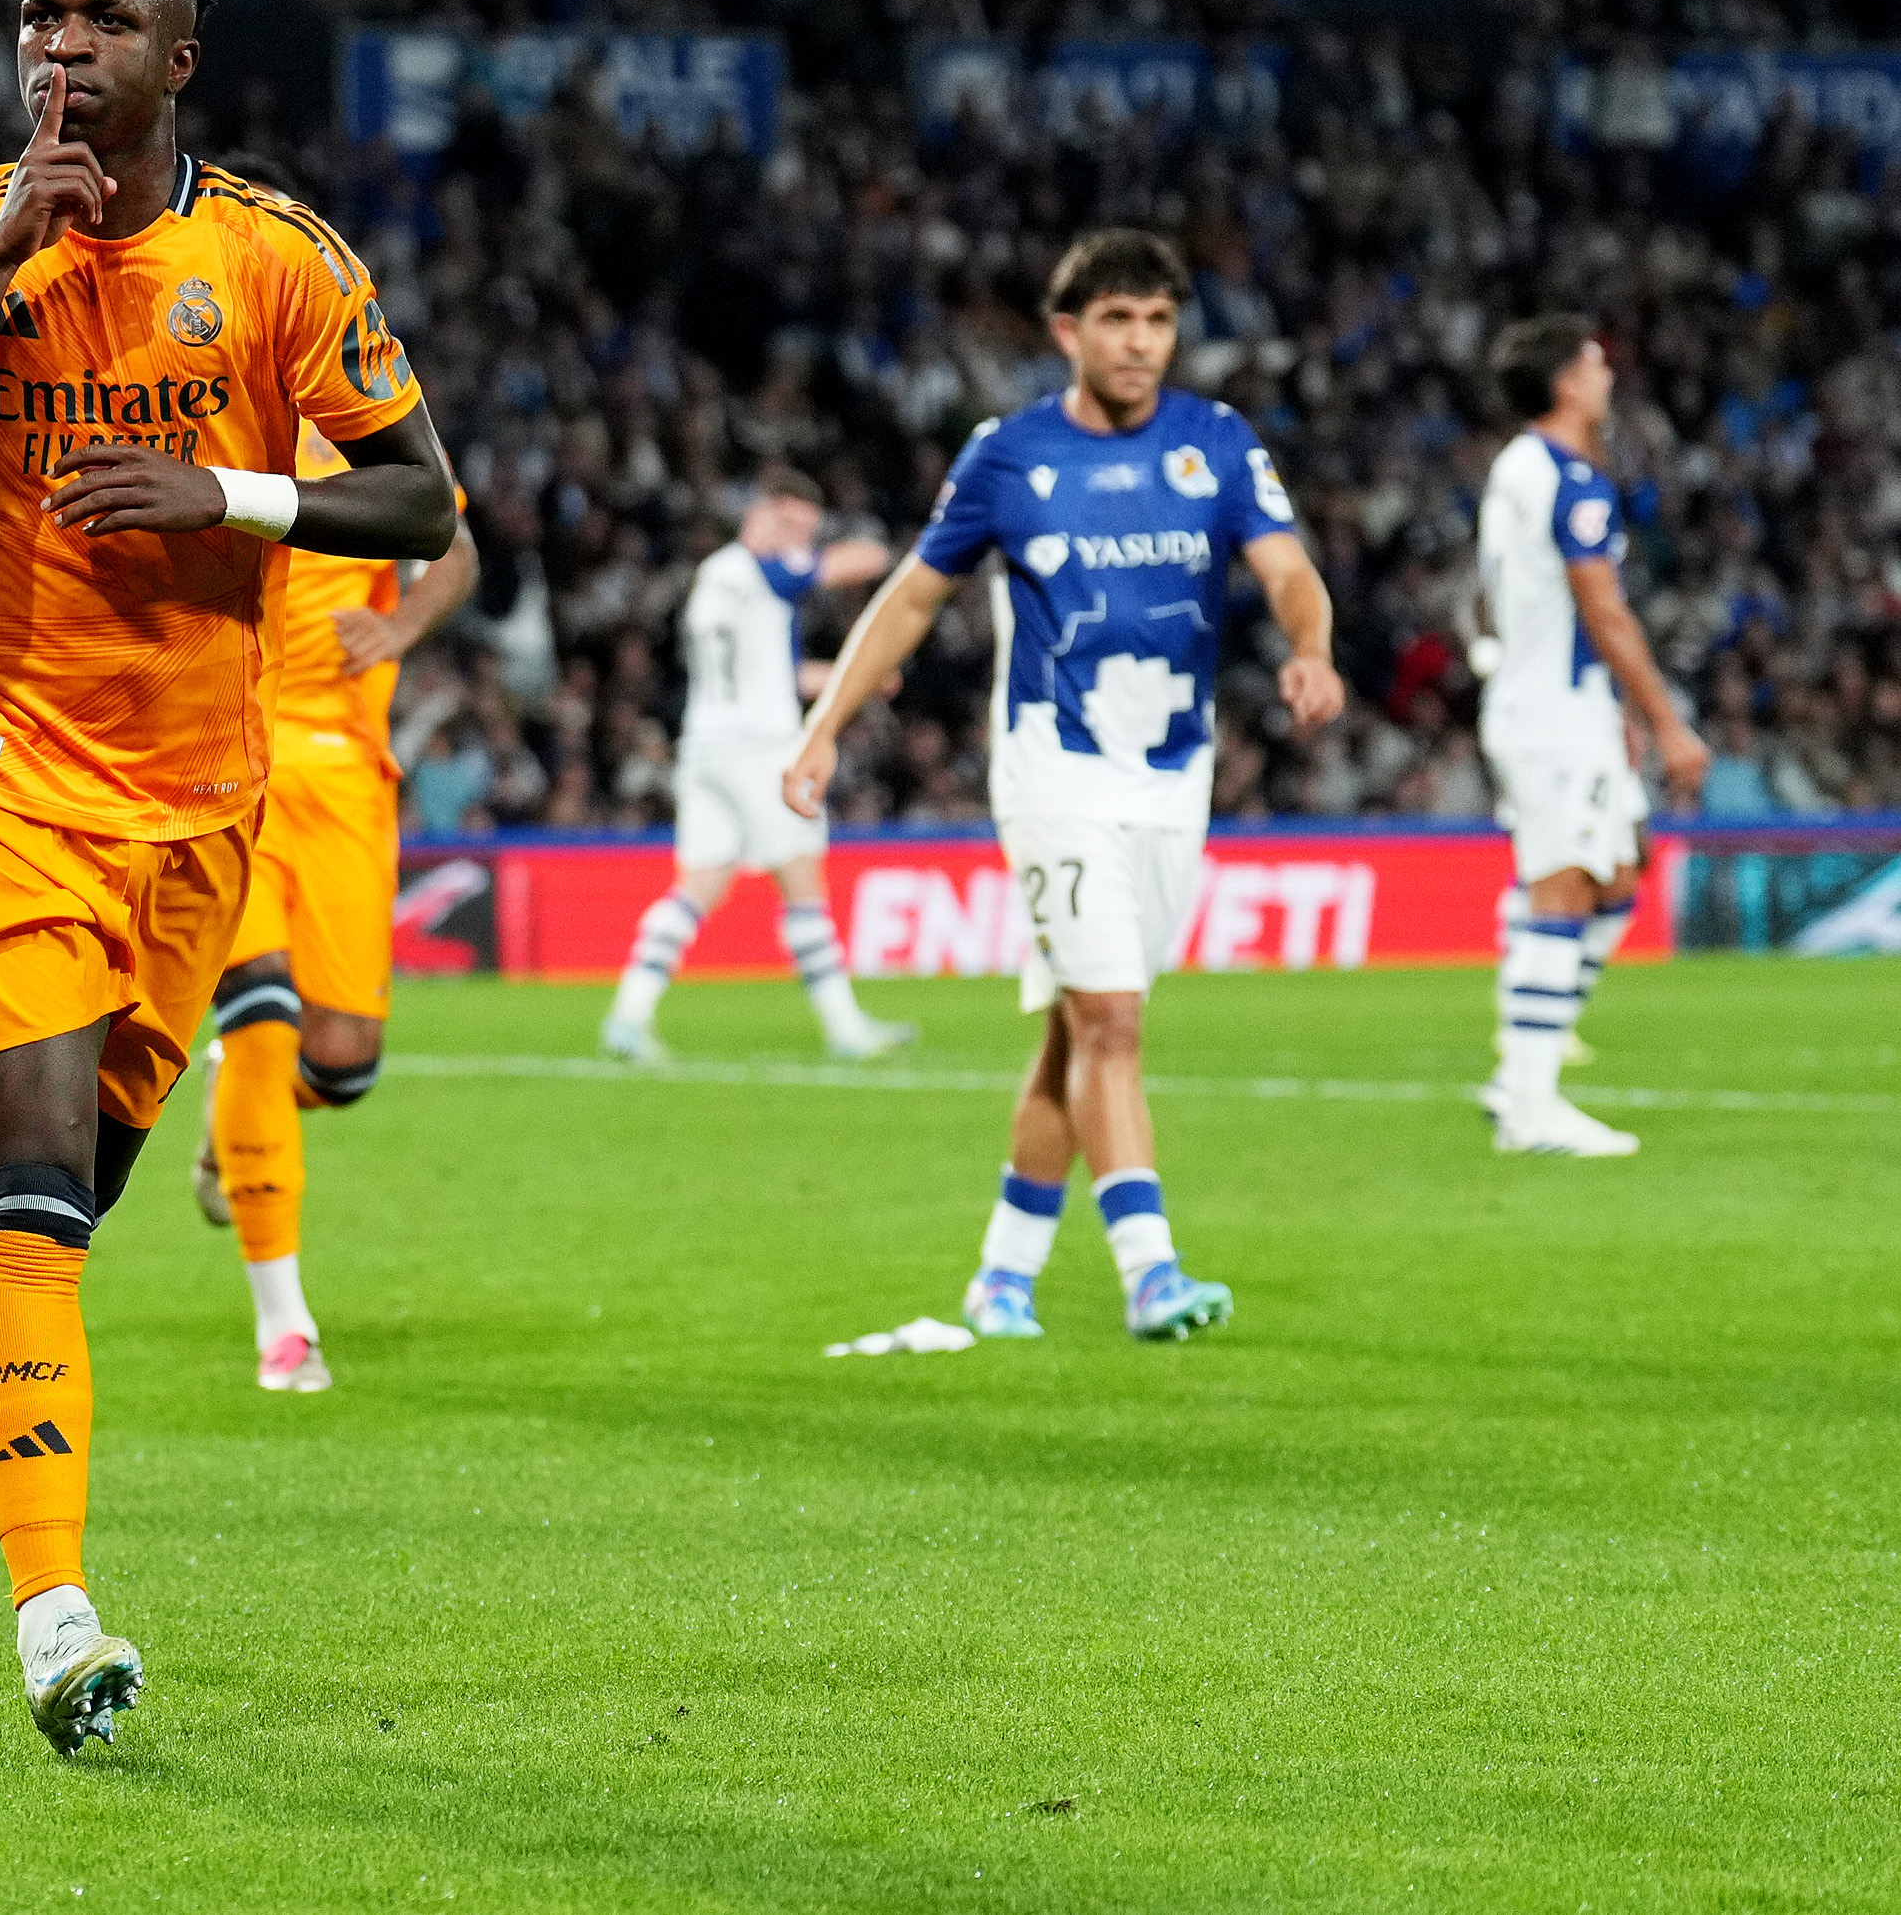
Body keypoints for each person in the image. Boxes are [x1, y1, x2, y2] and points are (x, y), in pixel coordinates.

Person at [0, 0, 455, 1754]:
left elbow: (419, 503)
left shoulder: (275, 258)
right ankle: (54, 1612)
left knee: (65, 1180)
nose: (58, 48)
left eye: (98, 20)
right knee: (50, 1209)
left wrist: (233, 496)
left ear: (179, 56)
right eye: (38, 19)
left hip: (198, 809)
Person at [782, 229, 1343, 1343]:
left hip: (1175, 775)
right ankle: (1152, 1272)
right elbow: (909, 598)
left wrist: (1311, 647)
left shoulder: (1217, 443)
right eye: (1119, 321)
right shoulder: (1008, 456)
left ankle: (1003, 1275)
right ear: (1067, 334)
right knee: (1114, 1020)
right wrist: (822, 729)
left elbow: (1288, 570)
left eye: (1160, 322)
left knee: (1076, 1032)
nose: (1142, 345)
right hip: (1054, 769)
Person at [185, 421, 477, 1393]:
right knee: (264, 1013)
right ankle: (286, 1327)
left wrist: (398, 629)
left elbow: (455, 544)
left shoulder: (366, 429)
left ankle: (235, 1110)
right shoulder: (201, 409)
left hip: (347, 776)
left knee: (341, 1062)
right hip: (225, 761)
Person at [1470, 318, 1709, 1156]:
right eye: (1597, 364)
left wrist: (1610, 713)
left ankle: (1519, 1069)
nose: (1607, 377)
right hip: (1550, 717)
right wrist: (1666, 722)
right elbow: (1601, 609)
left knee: (1616, 877)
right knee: (1565, 887)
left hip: (1553, 706)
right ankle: (1529, 1105)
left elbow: (1501, 597)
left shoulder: (1512, 469)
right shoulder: (1570, 480)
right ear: (1567, 383)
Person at [597, 465, 911, 1065]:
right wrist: (861, 546)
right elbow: (864, 560)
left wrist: (852, 680)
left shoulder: (717, 577)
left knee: (699, 886)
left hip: (707, 746)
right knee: (802, 883)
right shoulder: (760, 570)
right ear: (763, 513)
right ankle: (847, 1029)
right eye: (795, 525)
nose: (801, 541)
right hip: (759, 750)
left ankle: (628, 1017)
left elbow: (776, 676)